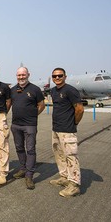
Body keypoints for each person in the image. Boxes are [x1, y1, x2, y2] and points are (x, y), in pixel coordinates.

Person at [49, 67, 84, 197]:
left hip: (67, 130)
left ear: (65, 76)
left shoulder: (70, 90)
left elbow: (79, 109)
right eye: (55, 76)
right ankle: (64, 177)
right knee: (59, 154)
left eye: (60, 76)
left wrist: (74, 123)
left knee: (71, 156)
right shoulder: (53, 91)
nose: (57, 78)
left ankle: (74, 184)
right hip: (56, 129)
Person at [10, 67, 45, 190]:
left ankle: (29, 175)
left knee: (30, 149)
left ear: (28, 75)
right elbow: (9, 104)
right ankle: (23, 169)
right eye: (19, 75)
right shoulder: (13, 90)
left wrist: (33, 115)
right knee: (19, 148)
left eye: (23, 75)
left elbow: (41, 105)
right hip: (15, 125)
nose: (21, 77)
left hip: (29, 125)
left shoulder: (35, 89)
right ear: (16, 76)